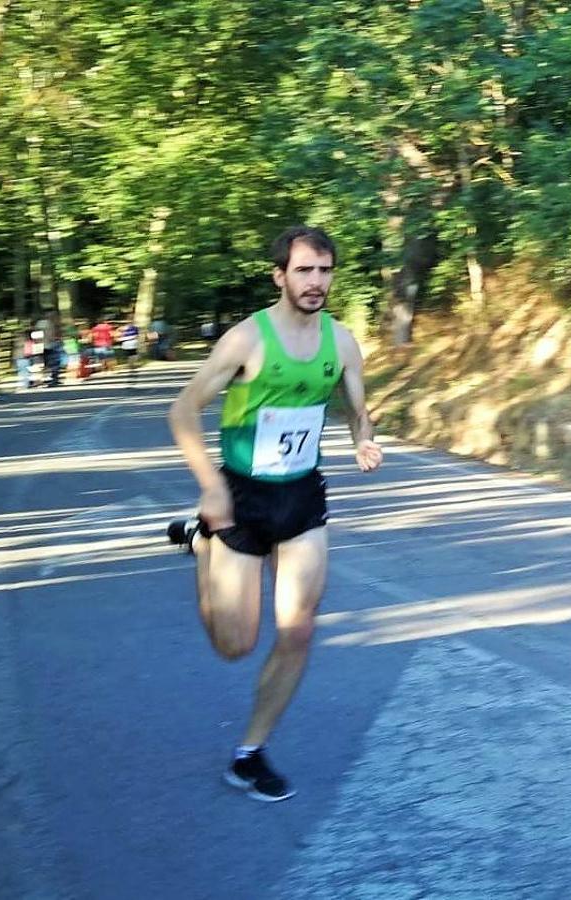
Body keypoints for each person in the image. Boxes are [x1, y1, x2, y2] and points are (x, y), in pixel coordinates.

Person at [167, 225, 383, 802]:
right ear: (280, 275)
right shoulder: (245, 340)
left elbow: (358, 408)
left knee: (299, 629)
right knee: (235, 644)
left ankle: (250, 753)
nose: (316, 281)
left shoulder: (342, 342)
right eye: (305, 270)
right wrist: (211, 490)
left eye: (325, 270)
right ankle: (200, 542)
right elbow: (183, 413)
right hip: (241, 498)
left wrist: (364, 437)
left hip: (303, 498)